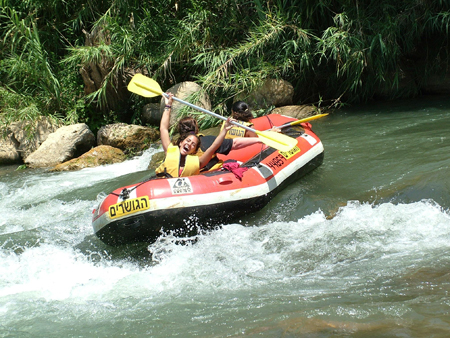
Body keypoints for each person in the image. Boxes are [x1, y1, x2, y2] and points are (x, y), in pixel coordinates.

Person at [155, 93, 234, 177]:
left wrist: (225, 129)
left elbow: (214, 146)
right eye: (188, 141)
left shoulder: (198, 162)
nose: (189, 144)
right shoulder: (169, 151)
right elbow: (163, 128)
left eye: (193, 144)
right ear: (181, 142)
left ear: (195, 151)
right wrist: (168, 105)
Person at [177, 115, 264, 171]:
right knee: (241, 165)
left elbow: (163, 129)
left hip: (197, 177)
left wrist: (168, 107)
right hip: (214, 173)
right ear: (196, 129)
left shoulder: (175, 148)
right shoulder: (208, 141)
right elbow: (235, 143)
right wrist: (258, 139)